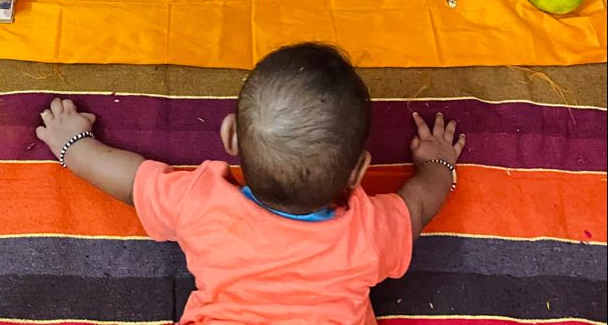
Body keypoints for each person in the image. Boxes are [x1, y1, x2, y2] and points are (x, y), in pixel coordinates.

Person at [36, 42, 466, 324]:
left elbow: (132, 182)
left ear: (230, 137)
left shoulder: (199, 203)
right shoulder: (369, 232)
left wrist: (73, 144)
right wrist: (437, 164)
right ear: (358, 171)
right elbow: (419, 205)